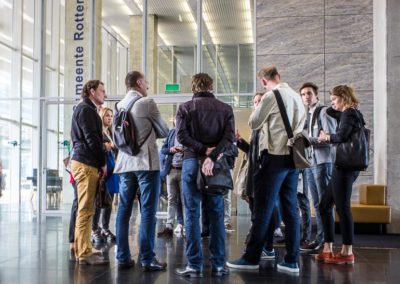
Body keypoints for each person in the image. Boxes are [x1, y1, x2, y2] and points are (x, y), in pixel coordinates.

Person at [227, 65, 306, 274]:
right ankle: (291, 261)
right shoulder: (297, 97)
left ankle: (251, 257)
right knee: (290, 210)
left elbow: (254, 123)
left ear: (264, 82)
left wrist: (258, 108)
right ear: (278, 76)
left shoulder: (271, 96)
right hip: (293, 159)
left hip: (274, 157)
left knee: (262, 208)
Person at [175, 73, 235, 278]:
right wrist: (213, 154)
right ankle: (219, 265)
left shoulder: (184, 108)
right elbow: (229, 138)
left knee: (192, 213)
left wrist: (202, 149)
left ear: (193, 87)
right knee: (217, 214)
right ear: (212, 86)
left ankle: (194, 265)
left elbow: (181, 136)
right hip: (216, 166)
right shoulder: (226, 109)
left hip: (192, 162)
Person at [114, 71, 169, 271]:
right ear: (138, 83)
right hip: (146, 163)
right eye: (146, 81)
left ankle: (122, 257)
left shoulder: (119, 106)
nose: (148, 85)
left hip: (125, 164)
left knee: (124, 210)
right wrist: (150, 130)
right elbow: (164, 131)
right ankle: (147, 258)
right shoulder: (147, 103)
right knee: (147, 211)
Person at [316, 85, 364, 265]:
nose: (332, 103)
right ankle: (327, 248)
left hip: (344, 167)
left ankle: (347, 252)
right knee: (324, 206)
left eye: (334, 99)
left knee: (342, 209)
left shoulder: (350, 113)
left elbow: (342, 136)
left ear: (343, 97)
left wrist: (326, 137)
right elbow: (331, 112)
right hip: (345, 167)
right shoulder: (350, 113)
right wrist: (334, 106)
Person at [236, 92, 278, 260]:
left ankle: (267, 247)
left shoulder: (267, 123)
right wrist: (240, 142)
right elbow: (253, 151)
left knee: (264, 212)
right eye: (255, 102)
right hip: (254, 174)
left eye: (260, 101)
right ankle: (265, 247)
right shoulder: (256, 126)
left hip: (263, 174)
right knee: (257, 212)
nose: (257, 104)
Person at [70, 79, 109, 265]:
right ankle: (84, 252)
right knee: (85, 210)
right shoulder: (86, 110)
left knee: (87, 209)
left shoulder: (87, 109)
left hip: (85, 161)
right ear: (92, 91)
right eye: (102, 91)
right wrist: (102, 162)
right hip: (86, 163)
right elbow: (92, 140)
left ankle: (84, 246)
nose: (105, 94)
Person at [299, 82, 336, 251]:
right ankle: (320, 239)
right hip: (310, 163)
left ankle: (325, 240)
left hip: (322, 162)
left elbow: (328, 138)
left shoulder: (324, 111)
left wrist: (307, 140)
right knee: (316, 205)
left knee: (323, 204)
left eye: (309, 93)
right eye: (303, 94)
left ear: (316, 95)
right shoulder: (308, 114)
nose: (306, 96)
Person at [91, 107, 118, 244]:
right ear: (101, 116)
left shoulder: (111, 132)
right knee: (98, 201)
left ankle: (105, 227)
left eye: (111, 116)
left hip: (113, 171)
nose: (110, 118)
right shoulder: (99, 132)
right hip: (102, 169)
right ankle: (94, 229)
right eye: (107, 115)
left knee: (109, 200)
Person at [157, 125, 185, 237]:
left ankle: (185, 225)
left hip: (184, 170)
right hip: (171, 170)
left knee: (184, 200)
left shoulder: (188, 132)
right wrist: (170, 149)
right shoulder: (171, 132)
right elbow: (163, 150)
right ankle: (169, 226)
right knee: (171, 199)